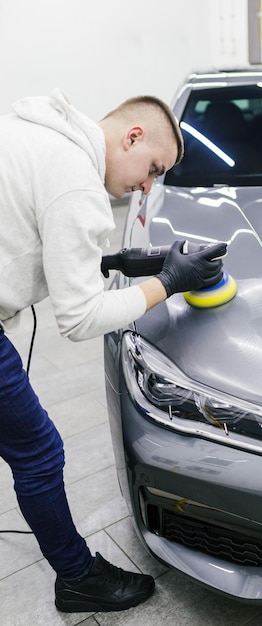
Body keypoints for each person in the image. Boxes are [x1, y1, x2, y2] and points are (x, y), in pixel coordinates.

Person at [0, 89, 226, 614]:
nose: (147, 186)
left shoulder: (37, 131)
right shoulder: (77, 181)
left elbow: (56, 242)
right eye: (152, 168)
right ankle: (77, 578)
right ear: (131, 137)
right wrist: (170, 283)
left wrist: (141, 263)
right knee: (38, 453)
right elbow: (79, 318)